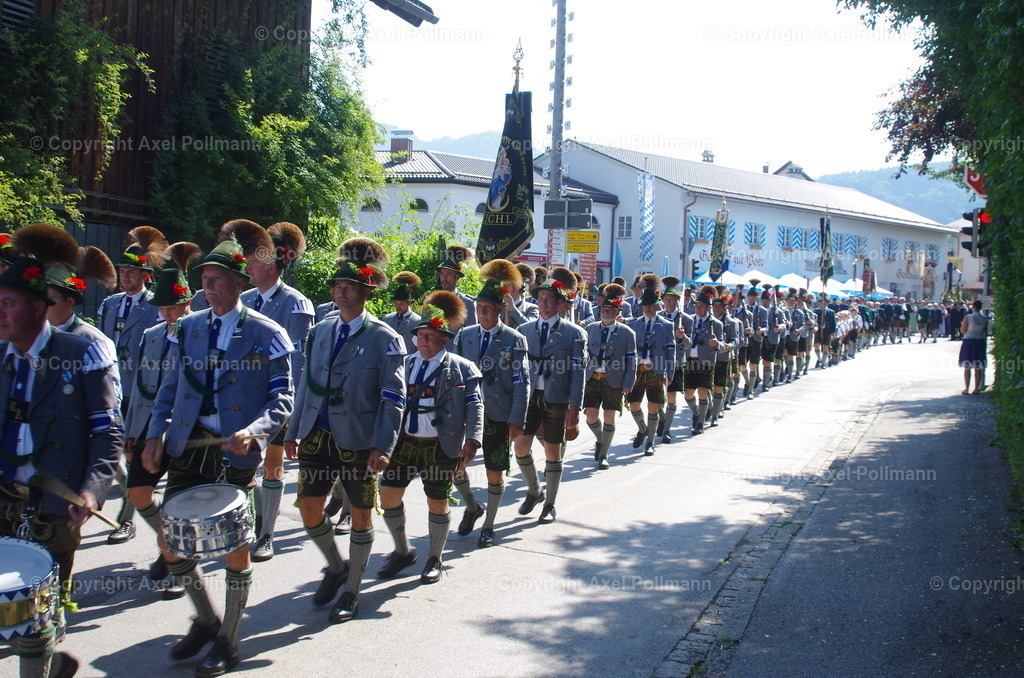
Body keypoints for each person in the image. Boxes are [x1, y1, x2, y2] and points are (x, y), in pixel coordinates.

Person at [141, 232, 293, 676]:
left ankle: (228, 639)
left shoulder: (269, 333)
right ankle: (205, 616)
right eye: (204, 279)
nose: (208, 286)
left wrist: (255, 430)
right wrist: (154, 436)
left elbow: (283, 398)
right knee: (171, 542)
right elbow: (169, 388)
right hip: (187, 446)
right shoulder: (186, 327)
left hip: (235, 452)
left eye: (217, 279)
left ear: (238, 282)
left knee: (234, 546)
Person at [0, 231, 123, 678]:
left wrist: (91, 491)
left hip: (54, 504)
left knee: (32, 619)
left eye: (8, 302)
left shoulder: (83, 350)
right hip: (3, 495)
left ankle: (45, 654)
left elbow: (107, 430)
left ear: (39, 308)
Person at [284, 237, 405, 624]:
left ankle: (352, 590)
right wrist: (292, 429)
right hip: (317, 434)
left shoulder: (385, 338)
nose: (342, 293)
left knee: (361, 514)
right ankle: (335, 566)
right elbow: (306, 382)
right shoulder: (320, 331)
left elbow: (393, 397)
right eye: (338, 287)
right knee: (308, 508)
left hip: (360, 440)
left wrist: (383, 445)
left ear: (366, 292)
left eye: (350, 287)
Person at [379, 291, 483, 583]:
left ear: (444, 339)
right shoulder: (403, 365)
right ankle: (402, 551)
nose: (422, 339)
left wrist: (472, 440)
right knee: (388, 495)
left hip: (440, 445)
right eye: (420, 334)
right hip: (404, 442)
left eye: (430, 335)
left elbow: (475, 405)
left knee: (437, 502)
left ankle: (434, 558)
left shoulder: (463, 368)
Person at [122, 242, 200, 601]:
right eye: (163, 308)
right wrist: (130, 430)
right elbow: (140, 385)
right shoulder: (150, 337)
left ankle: (176, 562)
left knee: (178, 502)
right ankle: (165, 541)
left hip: (184, 429)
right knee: (139, 494)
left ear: (188, 303)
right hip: (147, 426)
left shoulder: (200, 334)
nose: (169, 314)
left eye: (174, 307)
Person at [236, 220, 314, 563]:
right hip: (243, 395)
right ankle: (248, 525)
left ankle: (266, 534)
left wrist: (288, 410)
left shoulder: (297, 304)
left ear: (270, 264)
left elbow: (297, 363)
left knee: (272, 465)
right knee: (244, 465)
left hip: (277, 396)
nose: (247, 267)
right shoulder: (243, 299)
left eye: (252, 261)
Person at [450, 260, 530, 545]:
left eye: (488, 308)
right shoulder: (464, 336)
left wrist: (517, 419)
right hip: (467, 413)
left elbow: (522, 382)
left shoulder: (515, 339)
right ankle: (472, 505)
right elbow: (454, 375)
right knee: (456, 465)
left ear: (500, 310)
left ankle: (489, 525)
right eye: (479, 307)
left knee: (494, 470)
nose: (482, 312)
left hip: (498, 413)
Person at [97, 226, 168, 545]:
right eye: (122, 271)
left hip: (138, 393)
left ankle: (125, 521)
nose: (126, 277)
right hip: (108, 389)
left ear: (145, 275)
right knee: (110, 450)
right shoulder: (109, 305)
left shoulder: (156, 306)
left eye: (132, 272)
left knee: (129, 454)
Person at [515, 267, 587, 523]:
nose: (543, 304)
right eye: (540, 299)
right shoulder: (524, 330)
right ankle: (534, 490)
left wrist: (575, 407)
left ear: (559, 303)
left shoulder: (574, 333)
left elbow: (579, 372)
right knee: (520, 447)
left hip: (557, 399)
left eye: (549, 300)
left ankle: (550, 505)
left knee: (553, 453)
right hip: (529, 397)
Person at [583, 284, 637, 468]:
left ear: (616, 312)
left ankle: (604, 455)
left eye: (609, 310)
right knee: (590, 416)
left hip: (613, 381)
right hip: (592, 379)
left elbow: (632, 360)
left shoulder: (627, 333)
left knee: (609, 417)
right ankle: (601, 440)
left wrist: (628, 382)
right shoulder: (590, 329)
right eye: (603, 309)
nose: (605, 312)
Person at [627, 274, 676, 454]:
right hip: (637, 371)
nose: (648, 309)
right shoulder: (634, 324)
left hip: (656, 371)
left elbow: (671, 351)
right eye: (645, 306)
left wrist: (669, 374)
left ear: (657, 306)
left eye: (651, 306)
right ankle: (642, 429)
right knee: (634, 405)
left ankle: (650, 441)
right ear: (642, 307)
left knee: (653, 406)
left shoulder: (666, 325)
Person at [680, 286, 723, 435]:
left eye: (702, 306)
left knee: (703, 392)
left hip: (706, 362)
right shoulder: (688, 320)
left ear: (707, 307)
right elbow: (682, 342)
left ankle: (700, 424)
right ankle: (696, 412)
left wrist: (716, 343)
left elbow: (722, 343)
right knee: (688, 393)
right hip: (690, 361)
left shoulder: (715, 324)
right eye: (696, 305)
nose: (698, 308)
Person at [657, 276, 691, 442]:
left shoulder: (686, 319)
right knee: (655, 397)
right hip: (658, 362)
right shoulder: (658, 317)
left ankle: (667, 430)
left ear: (678, 300)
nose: (669, 302)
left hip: (676, 362)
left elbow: (689, 344)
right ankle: (662, 419)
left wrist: (682, 337)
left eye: (672, 299)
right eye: (666, 299)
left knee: (671, 396)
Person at [708, 291, 738, 427]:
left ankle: (716, 413)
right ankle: (710, 407)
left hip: (723, 357)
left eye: (720, 306)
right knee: (707, 387)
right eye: (715, 306)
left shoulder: (731, 323)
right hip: (707, 358)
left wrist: (728, 346)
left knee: (719, 386)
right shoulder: (708, 321)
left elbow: (736, 340)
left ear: (725, 307)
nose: (717, 309)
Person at [435, 245, 477, 327]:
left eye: (448, 274)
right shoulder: (432, 300)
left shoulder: (468, 303)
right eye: (442, 274)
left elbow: (472, 334)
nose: (444, 278)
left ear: (457, 277)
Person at [383, 271, 422, 351]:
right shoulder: (387, 319)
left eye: (401, 304)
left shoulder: (417, 321)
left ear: (409, 303)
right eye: (396, 303)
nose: (398, 307)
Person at [959, 299, 989, 394]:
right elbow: (984, 331)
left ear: (973, 307)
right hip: (979, 341)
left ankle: (966, 388)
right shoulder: (985, 318)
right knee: (978, 366)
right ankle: (977, 388)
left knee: (967, 366)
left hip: (969, 340)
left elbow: (963, 330)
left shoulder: (968, 317)